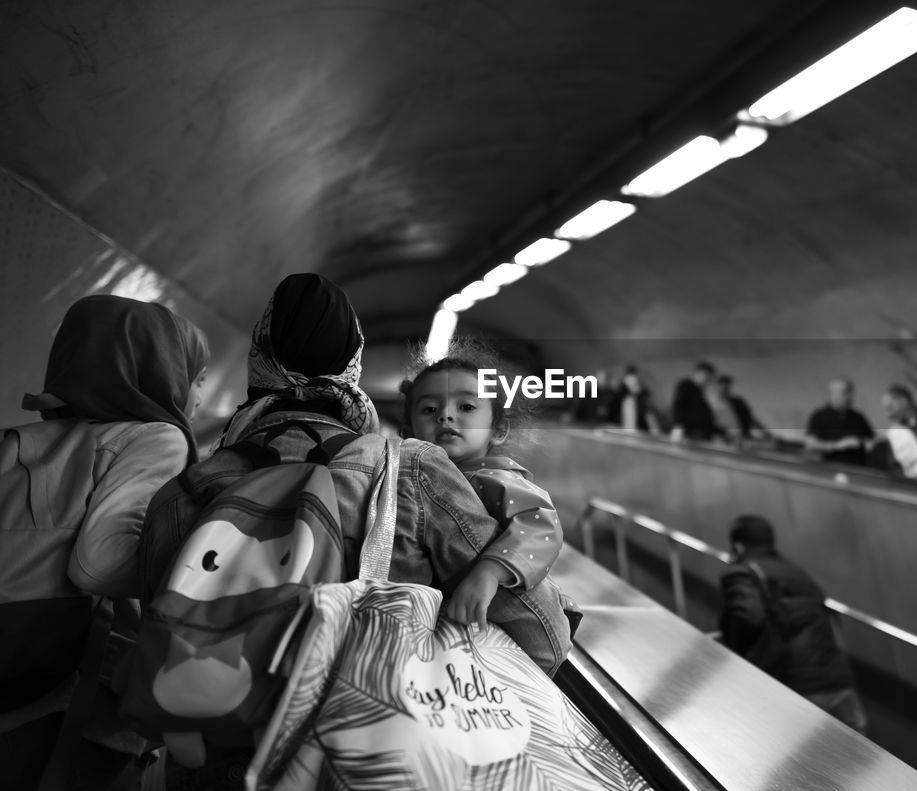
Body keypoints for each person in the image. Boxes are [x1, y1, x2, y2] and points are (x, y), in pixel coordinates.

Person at [135, 274, 554, 788]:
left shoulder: (191, 488)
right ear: (353, 366)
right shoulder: (412, 470)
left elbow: (151, 614)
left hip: (216, 754)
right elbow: (531, 628)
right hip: (365, 754)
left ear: (259, 359)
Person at [0, 295, 208, 791]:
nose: (198, 396)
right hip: (69, 682)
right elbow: (96, 564)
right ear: (158, 370)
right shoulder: (158, 437)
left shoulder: (22, 441)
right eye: (196, 376)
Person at [400, 339, 576, 675]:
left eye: (466, 407)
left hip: (512, 615)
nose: (446, 415)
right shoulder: (421, 480)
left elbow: (539, 525)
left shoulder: (495, 478)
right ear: (409, 431)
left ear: (497, 430)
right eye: (429, 410)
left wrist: (490, 572)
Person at [718, 515, 867, 733]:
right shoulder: (799, 574)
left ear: (738, 547)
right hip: (842, 689)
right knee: (851, 764)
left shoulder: (743, 573)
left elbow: (748, 615)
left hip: (797, 691)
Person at [803, 378, 876, 466]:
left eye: (851, 392)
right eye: (845, 392)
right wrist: (839, 445)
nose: (850, 397)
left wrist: (864, 443)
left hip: (859, 471)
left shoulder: (858, 417)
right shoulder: (819, 416)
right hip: (831, 470)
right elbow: (811, 445)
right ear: (833, 394)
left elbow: (872, 439)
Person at [709, 374, 771, 443]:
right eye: (722, 387)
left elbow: (750, 419)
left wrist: (765, 432)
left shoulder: (738, 402)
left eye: (727, 388)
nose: (724, 390)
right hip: (720, 440)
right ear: (715, 387)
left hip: (742, 440)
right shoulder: (709, 404)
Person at [670, 360, 720, 441]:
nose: (708, 381)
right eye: (707, 377)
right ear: (698, 373)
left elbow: (704, 414)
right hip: (690, 432)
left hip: (702, 433)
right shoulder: (685, 385)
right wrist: (678, 427)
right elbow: (678, 406)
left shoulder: (700, 391)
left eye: (710, 378)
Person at [609, 364, 661, 433]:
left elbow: (649, 415)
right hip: (624, 430)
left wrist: (655, 430)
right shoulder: (620, 394)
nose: (631, 380)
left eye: (633, 377)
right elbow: (614, 413)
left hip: (641, 430)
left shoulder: (643, 395)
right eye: (629, 377)